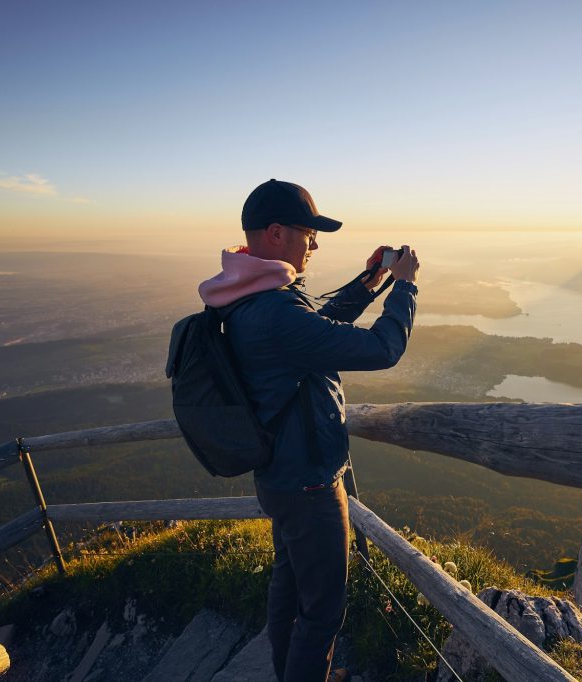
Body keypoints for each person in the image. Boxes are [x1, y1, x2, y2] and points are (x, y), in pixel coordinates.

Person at [196, 179, 419, 681]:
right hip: (310, 483)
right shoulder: (272, 310)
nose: (314, 244)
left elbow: (312, 329)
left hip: (280, 474)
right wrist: (404, 285)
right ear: (276, 233)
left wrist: (370, 282)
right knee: (321, 613)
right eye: (308, 233)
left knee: (290, 589)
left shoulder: (246, 297)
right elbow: (381, 350)